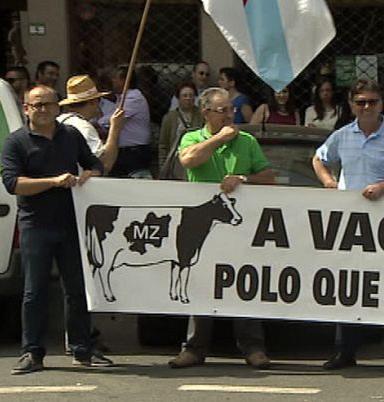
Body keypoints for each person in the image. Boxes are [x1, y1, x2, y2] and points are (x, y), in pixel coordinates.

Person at [0, 85, 113, 374]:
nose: (42, 110)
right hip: (35, 225)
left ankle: (82, 348)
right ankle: (32, 352)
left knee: (76, 289)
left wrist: (90, 174)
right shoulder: (15, 142)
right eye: (36, 105)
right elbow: (13, 184)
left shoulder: (71, 135)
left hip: (71, 222)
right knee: (34, 291)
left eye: (48, 104)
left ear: (57, 107)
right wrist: (53, 182)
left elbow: (95, 164)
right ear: (26, 108)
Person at [312, 79, 384, 373]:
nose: (366, 107)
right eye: (360, 102)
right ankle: (344, 352)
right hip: (351, 226)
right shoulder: (342, 136)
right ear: (351, 105)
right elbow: (319, 159)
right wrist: (329, 182)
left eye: (372, 101)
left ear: (381, 104)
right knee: (348, 288)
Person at [168, 87, 274, 370]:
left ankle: (253, 347)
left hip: (239, 228)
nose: (230, 115)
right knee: (201, 284)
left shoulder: (247, 141)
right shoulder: (192, 137)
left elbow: (268, 177)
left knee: (243, 284)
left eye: (232, 109)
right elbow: (189, 160)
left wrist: (243, 179)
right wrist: (219, 139)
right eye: (223, 110)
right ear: (206, 113)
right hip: (202, 229)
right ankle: (194, 348)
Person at [58, 75, 125, 173]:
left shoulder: (58, 121)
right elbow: (104, 164)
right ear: (93, 102)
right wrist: (115, 128)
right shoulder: (84, 127)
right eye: (98, 100)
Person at [98, 65, 153, 178]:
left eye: (116, 78)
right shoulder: (121, 98)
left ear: (124, 80)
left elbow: (114, 117)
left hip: (134, 152)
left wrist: (96, 122)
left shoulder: (134, 98)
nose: (113, 81)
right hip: (125, 151)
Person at [159, 82, 203, 173]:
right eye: (185, 95)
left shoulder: (202, 115)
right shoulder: (169, 118)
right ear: (178, 98)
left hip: (197, 160)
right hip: (176, 164)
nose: (188, 98)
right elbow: (163, 145)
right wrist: (163, 166)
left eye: (191, 95)